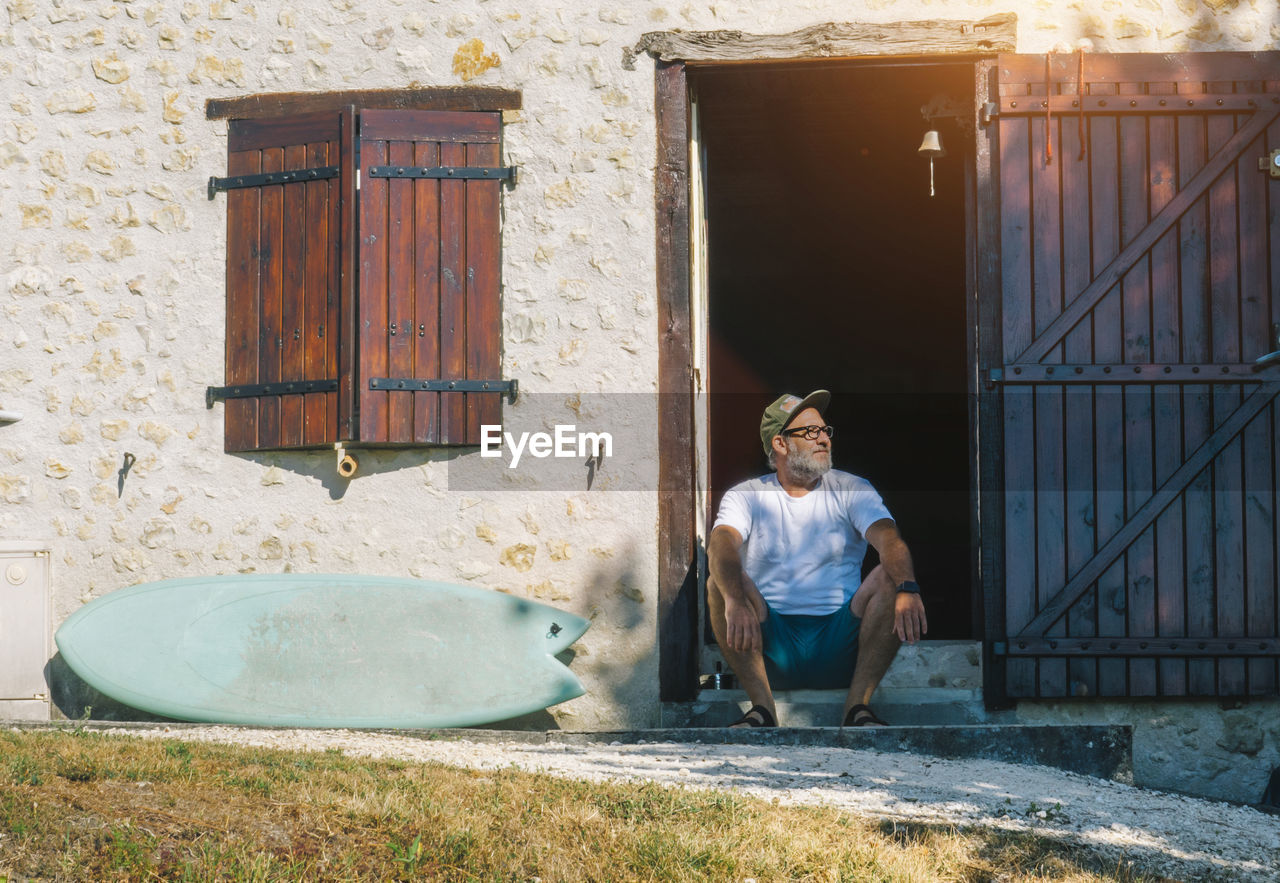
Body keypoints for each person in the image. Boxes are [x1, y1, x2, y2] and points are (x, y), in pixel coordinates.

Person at [707, 390, 927, 727]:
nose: (823, 438)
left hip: (840, 643)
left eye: (825, 431)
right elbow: (722, 544)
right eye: (810, 432)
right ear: (780, 444)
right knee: (717, 584)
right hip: (770, 645)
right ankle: (763, 709)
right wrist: (734, 599)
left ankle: (857, 708)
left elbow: (888, 539)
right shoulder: (747, 495)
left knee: (888, 576)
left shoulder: (852, 488)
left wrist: (908, 588)